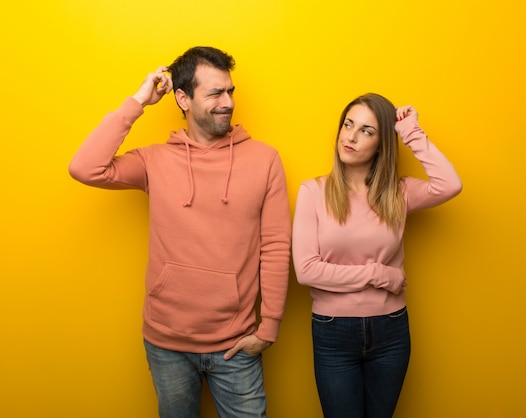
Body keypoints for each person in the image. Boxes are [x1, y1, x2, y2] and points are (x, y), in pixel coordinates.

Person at [68, 46, 291, 418]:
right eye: (215, 93)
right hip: (166, 344)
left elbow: (276, 246)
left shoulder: (264, 160)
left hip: (236, 343)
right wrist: (139, 100)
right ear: (183, 99)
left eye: (230, 91)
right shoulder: (154, 161)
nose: (228, 102)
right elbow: (85, 168)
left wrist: (269, 326)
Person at [291, 93, 462, 418]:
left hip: (391, 330)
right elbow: (307, 271)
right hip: (333, 330)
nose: (350, 137)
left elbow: (450, 185)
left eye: (366, 131)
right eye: (348, 125)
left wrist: (411, 131)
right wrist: (379, 274)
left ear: (382, 144)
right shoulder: (313, 191)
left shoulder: (399, 193)